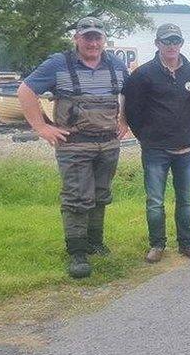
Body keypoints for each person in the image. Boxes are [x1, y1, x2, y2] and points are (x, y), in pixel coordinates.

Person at [16, 17, 129, 278]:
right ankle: (77, 253)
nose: (92, 42)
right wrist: (41, 127)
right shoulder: (59, 64)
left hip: (108, 144)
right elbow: (25, 91)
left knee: (101, 195)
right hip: (73, 145)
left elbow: (130, 92)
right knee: (77, 198)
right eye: (87, 37)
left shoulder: (117, 65)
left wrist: (125, 119)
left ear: (104, 39)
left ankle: (95, 243)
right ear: (76, 38)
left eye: (97, 37)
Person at [122, 23, 190, 263]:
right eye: (166, 41)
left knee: (186, 200)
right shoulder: (143, 74)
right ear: (157, 44)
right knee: (155, 202)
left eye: (175, 41)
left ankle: (188, 244)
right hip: (155, 150)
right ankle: (157, 245)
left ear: (181, 44)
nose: (171, 46)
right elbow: (133, 111)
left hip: (187, 148)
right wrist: (146, 137)